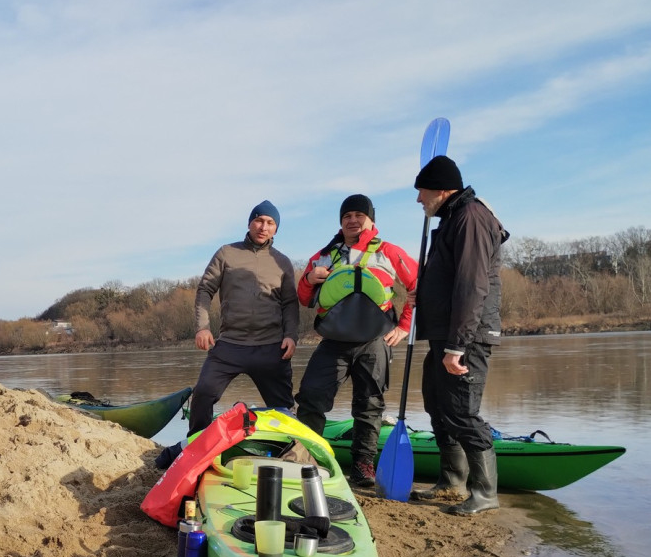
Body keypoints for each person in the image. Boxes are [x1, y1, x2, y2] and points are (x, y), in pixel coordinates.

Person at [294, 195, 418, 488]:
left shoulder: (389, 251)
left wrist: (404, 327)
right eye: (347, 216)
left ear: (371, 220)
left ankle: (363, 466)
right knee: (311, 398)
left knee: (369, 404)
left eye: (359, 215)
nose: (352, 220)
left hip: (375, 339)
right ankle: (309, 460)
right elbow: (303, 297)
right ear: (341, 222)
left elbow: (418, 286)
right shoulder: (325, 255)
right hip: (334, 340)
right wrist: (311, 278)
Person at [410, 155, 509, 515]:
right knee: (438, 406)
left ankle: (484, 492)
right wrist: (424, 294)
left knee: (462, 411)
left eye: (421, 192)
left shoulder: (471, 218)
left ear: (440, 190)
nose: (419, 200)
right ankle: (452, 481)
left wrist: (457, 346)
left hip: (466, 337)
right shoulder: (453, 217)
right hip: (444, 334)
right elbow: (450, 278)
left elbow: (472, 285)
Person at [185, 200, 299, 435]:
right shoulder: (227, 253)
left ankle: (290, 448)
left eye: (270, 223)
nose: (263, 227)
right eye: (258, 220)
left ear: (276, 229)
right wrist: (202, 327)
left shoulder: (283, 262)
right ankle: (195, 444)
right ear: (249, 223)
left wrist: (291, 335)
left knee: (283, 409)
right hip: (230, 345)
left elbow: (289, 303)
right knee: (203, 393)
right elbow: (205, 290)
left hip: (271, 346)